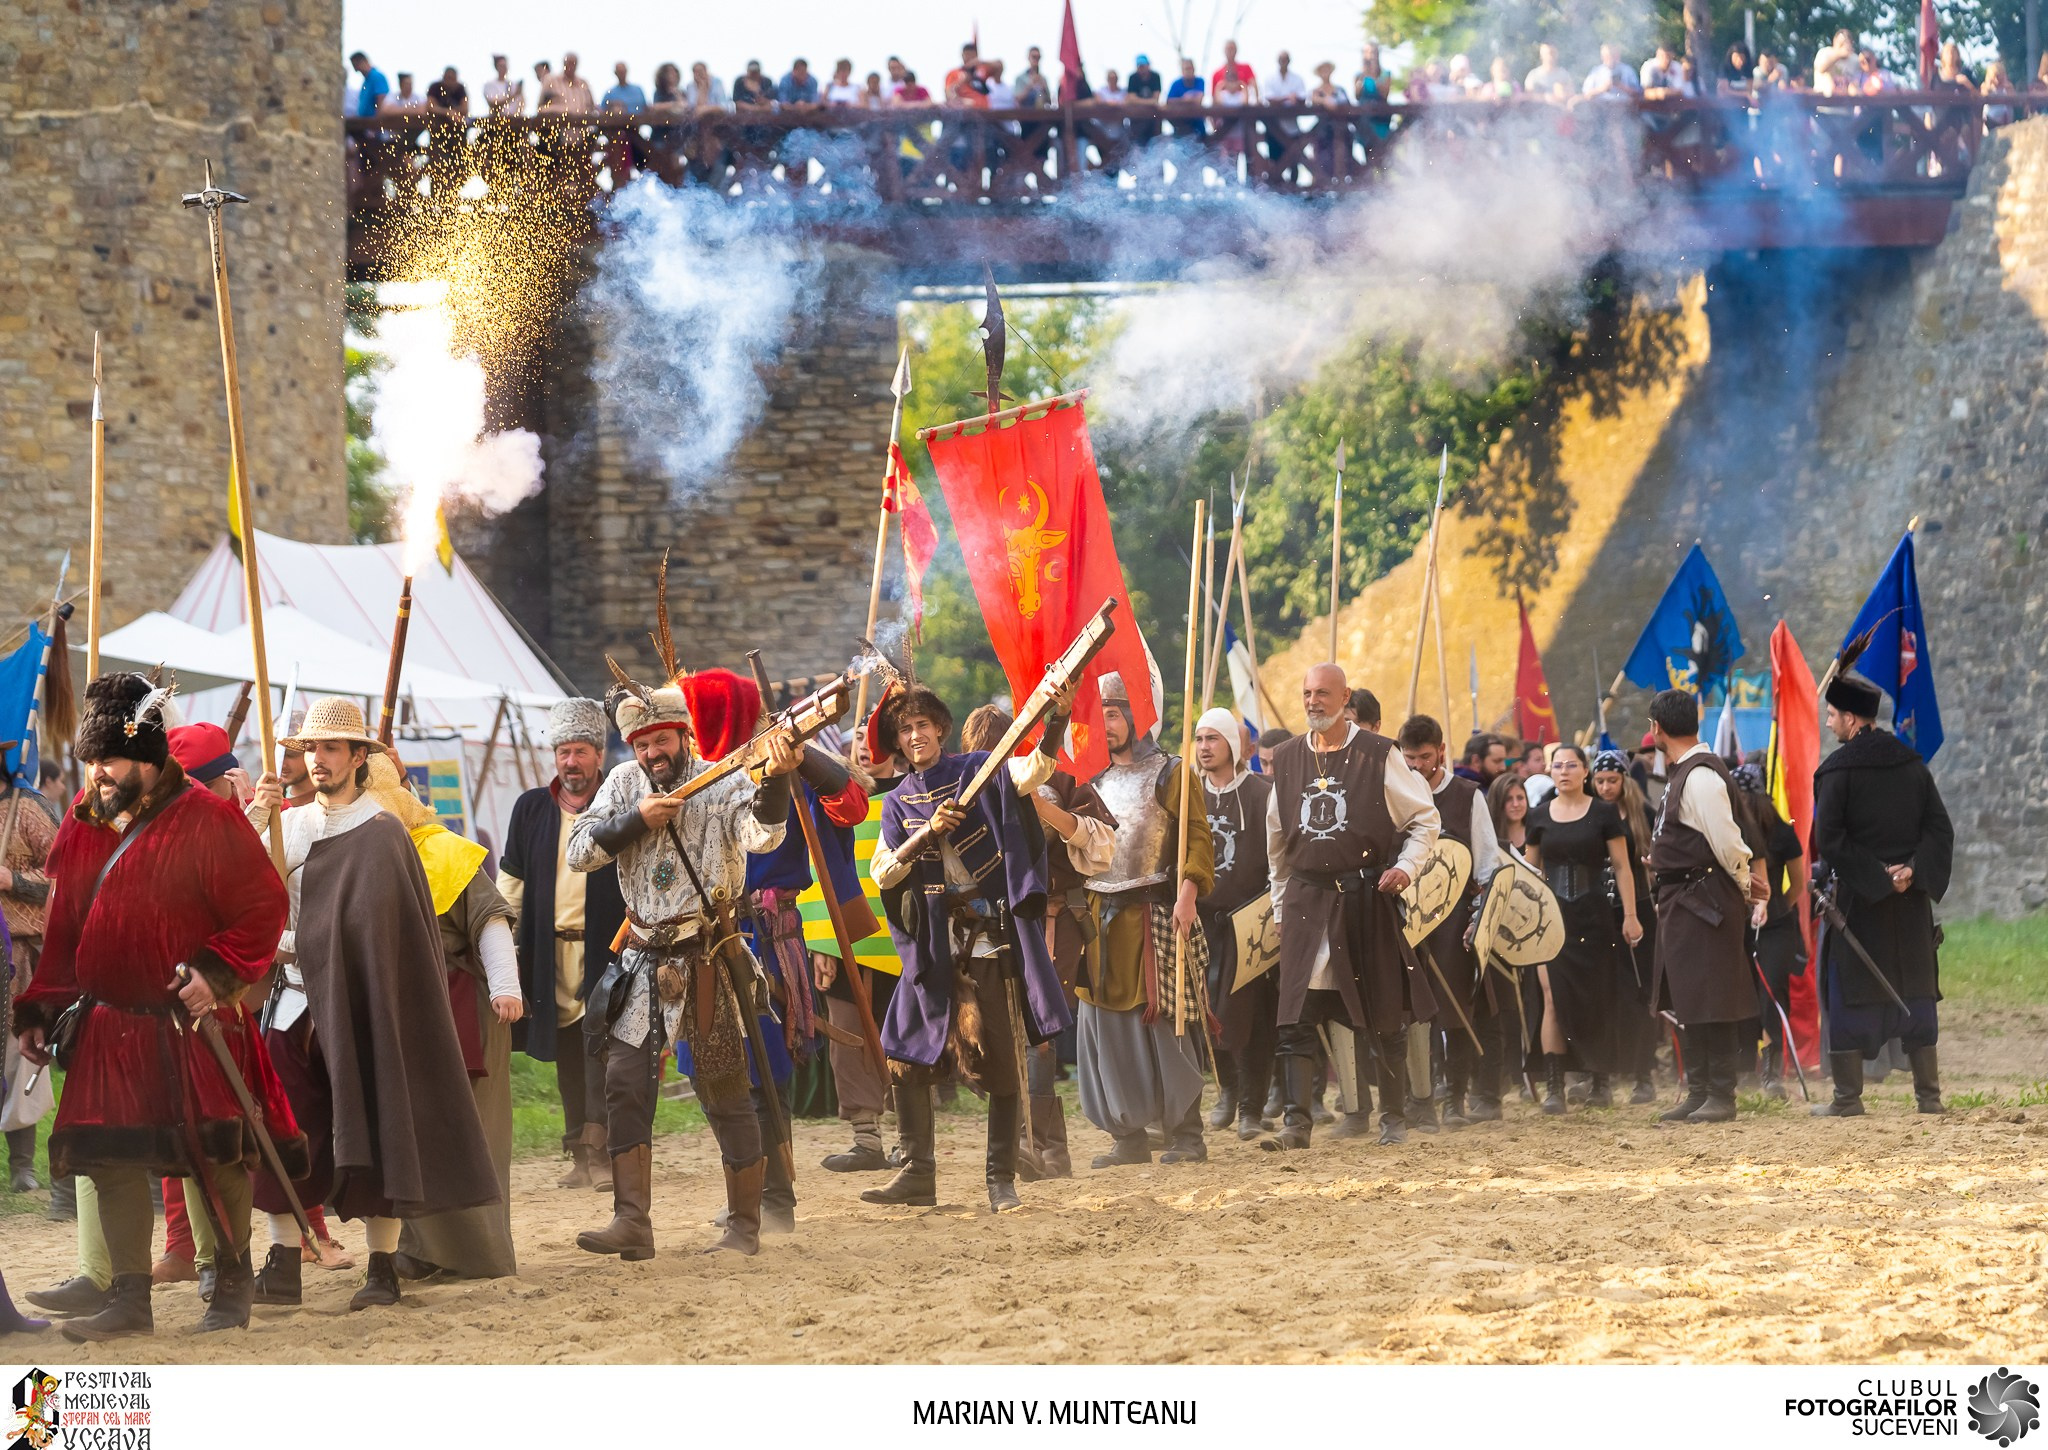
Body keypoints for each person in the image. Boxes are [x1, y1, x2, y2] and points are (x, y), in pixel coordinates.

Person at [14, 674, 300, 1341]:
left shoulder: (205, 816)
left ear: (148, 757)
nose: (98, 774)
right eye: (91, 762)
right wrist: (40, 1010)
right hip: (110, 1026)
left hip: (191, 1020)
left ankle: (231, 1283)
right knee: (110, 1158)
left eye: (109, 760)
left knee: (213, 1157)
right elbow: (63, 932)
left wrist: (216, 972)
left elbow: (262, 907)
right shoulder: (83, 826)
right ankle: (129, 1298)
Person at [249, 698, 500, 1311]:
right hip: (295, 1005)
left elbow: (381, 936)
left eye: (331, 749)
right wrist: (256, 821)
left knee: (376, 1125)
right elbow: (248, 905)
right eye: (310, 750)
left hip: (361, 1006)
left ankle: (382, 1267)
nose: (318, 760)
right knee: (286, 1132)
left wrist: (304, 944)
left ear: (360, 757)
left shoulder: (385, 835)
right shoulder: (291, 824)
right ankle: (283, 1260)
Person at [568, 664, 800, 1258]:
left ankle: (744, 1226)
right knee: (624, 1086)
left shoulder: (721, 780)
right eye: (641, 744)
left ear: (682, 736)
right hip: (642, 958)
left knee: (725, 1088)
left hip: (707, 956)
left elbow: (764, 836)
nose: (651, 752)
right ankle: (632, 1223)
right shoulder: (621, 783)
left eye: (661, 740)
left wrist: (773, 780)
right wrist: (634, 822)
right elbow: (579, 852)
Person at [865, 682, 1075, 1211]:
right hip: (934, 949)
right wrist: (926, 834)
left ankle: (999, 1179)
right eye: (905, 729)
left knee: (1002, 1062)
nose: (915, 736)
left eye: (923, 725)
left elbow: (1034, 773)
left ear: (939, 729)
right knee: (905, 1055)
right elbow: (886, 873)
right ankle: (916, 1174)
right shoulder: (894, 805)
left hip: (987, 942)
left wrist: (1056, 721)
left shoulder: (978, 769)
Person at [680, 669, 870, 1237]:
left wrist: (799, 756)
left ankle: (775, 1194)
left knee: (765, 1065)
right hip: (703, 934)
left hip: (766, 932)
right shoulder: (694, 778)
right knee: (708, 1064)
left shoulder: (786, 765)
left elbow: (852, 804)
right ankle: (746, 1183)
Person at [1265, 664, 1440, 1148]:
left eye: (1323, 693)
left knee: (1383, 1008)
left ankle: (1394, 1118)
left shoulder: (1377, 754)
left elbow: (1426, 821)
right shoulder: (1286, 758)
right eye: (1306, 693)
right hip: (1303, 901)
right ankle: (1296, 1125)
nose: (1312, 701)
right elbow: (1277, 848)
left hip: (1362, 898)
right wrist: (1280, 910)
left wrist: (1406, 867)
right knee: (1296, 1013)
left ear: (1346, 699)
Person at [955, 705, 1113, 1178]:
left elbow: (1103, 846)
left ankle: (1038, 1143)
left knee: (1038, 1031)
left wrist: (1042, 806)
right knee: (995, 1028)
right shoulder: (959, 792)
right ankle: (1042, 1143)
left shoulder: (1057, 780)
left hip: (1053, 919)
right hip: (986, 927)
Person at [1075, 673, 1215, 1167]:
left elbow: (1197, 839)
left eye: (1113, 712)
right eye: (1101, 713)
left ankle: (1186, 1133)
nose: (1105, 723)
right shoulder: (1091, 782)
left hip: (1154, 913)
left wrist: (1188, 894)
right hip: (1098, 920)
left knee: (1165, 1026)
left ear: (1137, 715)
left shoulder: (1173, 772)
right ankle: (1128, 1135)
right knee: (1105, 1030)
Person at [1809, 670, 1954, 1117]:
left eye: (1833, 716)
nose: (1829, 723)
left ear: (1853, 719)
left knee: (1850, 990)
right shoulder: (1912, 764)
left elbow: (1829, 841)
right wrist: (1910, 871)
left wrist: (1875, 878)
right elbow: (1939, 830)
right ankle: (1928, 1097)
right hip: (1909, 905)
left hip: (1858, 905)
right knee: (1914, 990)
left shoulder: (1835, 772)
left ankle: (1847, 1099)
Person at [498, 700, 624, 1193]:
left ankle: (603, 1153)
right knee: (569, 1053)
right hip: (547, 954)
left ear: (598, 755)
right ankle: (578, 1151)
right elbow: (512, 881)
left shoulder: (617, 804)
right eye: (563, 753)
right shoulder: (531, 808)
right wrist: (505, 944)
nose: (570, 762)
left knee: (603, 1053)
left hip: (606, 951)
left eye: (580, 752)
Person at [1645, 690, 1765, 1124]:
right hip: (1684, 901)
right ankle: (1698, 1092)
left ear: (1657, 727)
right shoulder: (1684, 774)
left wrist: (1743, 888)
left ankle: (1721, 1094)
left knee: (1714, 996)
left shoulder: (1700, 777)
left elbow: (1729, 844)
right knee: (1692, 997)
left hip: (1706, 902)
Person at [1397, 715, 1505, 1127]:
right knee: (1412, 1012)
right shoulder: (1396, 794)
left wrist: (1479, 921)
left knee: (1456, 1008)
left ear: (1441, 751)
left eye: (1425, 757)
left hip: (1455, 920)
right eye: (1409, 758)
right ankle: (1418, 1098)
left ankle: (1454, 1099)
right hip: (1408, 919)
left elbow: (1488, 863)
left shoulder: (1466, 795)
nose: (1418, 766)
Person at [1523, 744, 1642, 1113]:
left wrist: (1631, 915)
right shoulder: (1538, 816)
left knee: (1598, 997)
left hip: (1595, 915)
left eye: (1571, 765)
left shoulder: (1604, 813)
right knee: (1552, 997)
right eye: (1557, 766)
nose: (1564, 772)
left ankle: (1599, 1080)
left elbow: (1622, 866)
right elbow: (1531, 873)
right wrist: (1528, 923)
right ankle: (1555, 1085)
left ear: (1584, 771)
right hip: (1552, 920)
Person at [1196, 707, 1275, 1141]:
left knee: (1252, 1016)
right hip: (1204, 919)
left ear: (1233, 744)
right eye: (1200, 739)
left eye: (1213, 739)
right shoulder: (1191, 795)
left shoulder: (1264, 793)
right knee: (1211, 1013)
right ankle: (1227, 1090)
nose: (1205, 747)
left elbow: (1279, 857)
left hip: (1251, 921)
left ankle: (1252, 1107)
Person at [0, 741, 60, 1193]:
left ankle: (22, 1164)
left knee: (17, 1056)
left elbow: (65, 871)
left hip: (17, 955)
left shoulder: (28, 808)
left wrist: (13, 880)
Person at [1729, 761, 1805, 1099]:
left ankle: (1772, 1071)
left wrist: (1776, 911)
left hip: (1774, 925)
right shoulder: (1728, 831)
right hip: (1735, 923)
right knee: (1741, 993)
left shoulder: (1782, 833)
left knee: (1772, 993)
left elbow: (1798, 884)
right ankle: (1744, 1065)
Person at [1591, 749, 1660, 1104]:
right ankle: (1599, 1079)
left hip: (1638, 911)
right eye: (1600, 781)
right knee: (1601, 994)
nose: (1605, 787)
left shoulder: (1643, 813)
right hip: (1597, 913)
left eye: (1612, 780)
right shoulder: (1586, 813)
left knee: (1639, 992)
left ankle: (1642, 1074)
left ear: (1624, 780)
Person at [1487, 772, 1530, 855]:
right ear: (1497, 803)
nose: (1516, 804)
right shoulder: (1488, 837)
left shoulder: (1536, 831)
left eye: (1520, 798)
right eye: (1508, 799)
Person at [349, 51, 391, 117]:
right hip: (365, 123)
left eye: (357, 64)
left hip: (373, 124)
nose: (356, 69)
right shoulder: (366, 81)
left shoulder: (376, 76)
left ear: (365, 61)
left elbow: (381, 98)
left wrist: (378, 122)